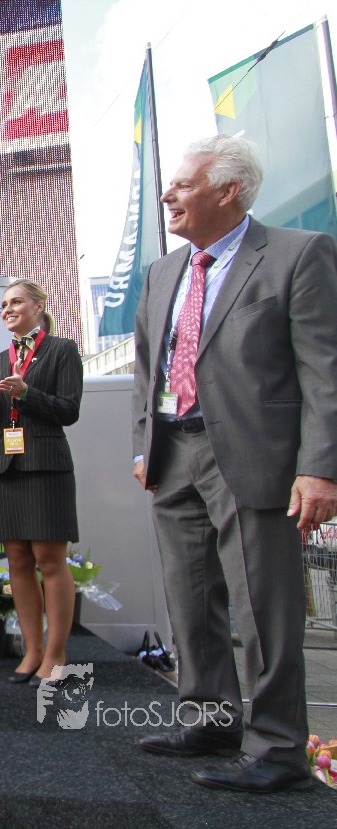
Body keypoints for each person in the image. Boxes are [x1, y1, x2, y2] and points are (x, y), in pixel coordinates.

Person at [131, 135, 337, 793]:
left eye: (184, 185)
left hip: (253, 457)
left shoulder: (298, 255)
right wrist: (144, 444)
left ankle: (277, 746)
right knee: (190, 598)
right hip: (174, 454)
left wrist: (321, 468)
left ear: (229, 191)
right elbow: (149, 367)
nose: (169, 196)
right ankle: (209, 719)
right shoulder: (163, 272)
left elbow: (324, 370)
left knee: (262, 606)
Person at [0, 279, 81, 686]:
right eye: (3, 305)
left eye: (16, 302)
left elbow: (69, 410)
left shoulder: (62, 350)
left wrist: (27, 393)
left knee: (50, 559)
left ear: (38, 305)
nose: (7, 309)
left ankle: (57, 653)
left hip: (45, 467)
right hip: (7, 468)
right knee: (17, 561)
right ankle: (33, 650)